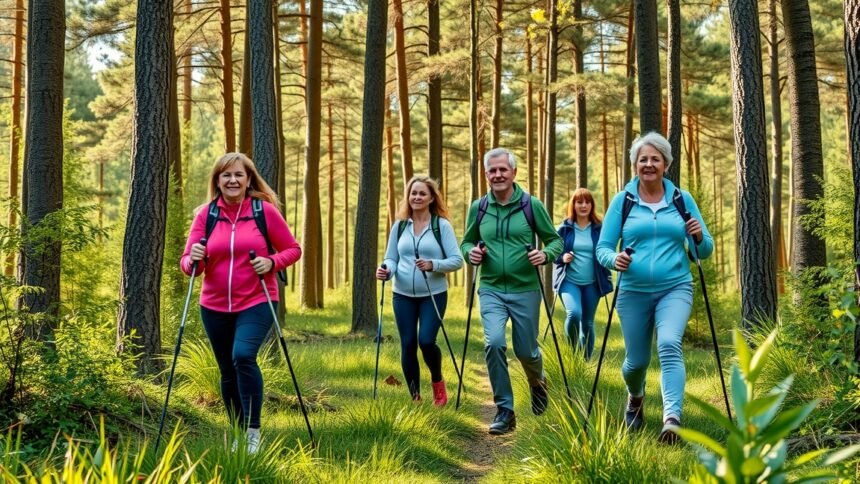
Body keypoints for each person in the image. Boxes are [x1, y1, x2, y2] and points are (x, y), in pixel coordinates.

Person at [595, 132, 713, 444]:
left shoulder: (681, 200)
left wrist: (699, 237)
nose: (649, 164)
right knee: (636, 363)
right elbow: (603, 247)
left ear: (666, 164)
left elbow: (703, 251)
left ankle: (671, 419)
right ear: (635, 165)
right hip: (632, 291)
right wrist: (614, 259)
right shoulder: (623, 202)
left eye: (655, 159)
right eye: (643, 159)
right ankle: (636, 397)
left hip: (675, 287)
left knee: (670, 344)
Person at [180, 153, 301, 453]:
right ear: (217, 181)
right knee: (226, 371)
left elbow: (293, 249)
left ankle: (252, 433)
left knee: (243, 356)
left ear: (248, 180)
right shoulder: (205, 215)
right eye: (226, 175)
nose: (232, 180)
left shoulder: (264, 212)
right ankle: (236, 432)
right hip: (213, 305)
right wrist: (192, 259)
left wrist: (271, 262)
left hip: (257, 299)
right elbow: (189, 265)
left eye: (238, 175)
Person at [460, 148, 563, 435]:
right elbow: (466, 243)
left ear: (514, 172)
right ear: (486, 175)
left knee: (526, 351)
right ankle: (505, 410)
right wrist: (472, 253)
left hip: (526, 289)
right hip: (491, 288)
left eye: (503, 169)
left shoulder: (531, 205)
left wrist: (545, 255)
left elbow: (555, 241)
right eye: (492, 170)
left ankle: (538, 382)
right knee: (494, 343)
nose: (498, 174)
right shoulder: (478, 208)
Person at [377, 176, 464, 405]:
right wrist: (386, 270)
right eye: (413, 193)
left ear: (431, 198)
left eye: (422, 193)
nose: (416, 197)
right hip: (402, 294)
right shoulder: (400, 226)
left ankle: (438, 382)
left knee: (426, 341)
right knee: (408, 344)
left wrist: (433, 265)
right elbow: (391, 257)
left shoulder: (441, 225)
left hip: (433, 294)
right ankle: (415, 397)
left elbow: (457, 260)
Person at [553, 188, 612, 361]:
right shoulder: (564, 228)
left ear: (592, 205)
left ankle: (584, 362)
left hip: (593, 283)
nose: (584, 205)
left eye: (587, 202)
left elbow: (607, 250)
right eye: (579, 202)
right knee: (574, 314)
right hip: (569, 281)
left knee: (587, 324)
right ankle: (572, 356)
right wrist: (562, 256)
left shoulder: (599, 229)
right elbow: (553, 252)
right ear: (574, 205)